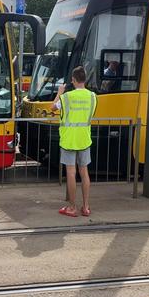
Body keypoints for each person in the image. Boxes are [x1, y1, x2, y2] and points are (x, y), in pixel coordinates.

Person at [52, 66, 97, 217]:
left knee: (71, 173)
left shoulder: (66, 97)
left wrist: (59, 93)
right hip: (84, 138)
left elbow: (52, 108)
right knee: (84, 172)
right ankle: (86, 207)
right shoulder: (92, 97)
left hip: (69, 140)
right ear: (85, 79)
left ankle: (72, 208)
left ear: (73, 80)